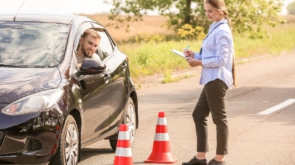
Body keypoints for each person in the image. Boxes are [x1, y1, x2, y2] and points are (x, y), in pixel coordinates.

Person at [182, 0, 236, 165]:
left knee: (219, 118)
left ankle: (219, 159)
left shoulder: (222, 31)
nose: (208, 14)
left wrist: (199, 62)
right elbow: (211, 55)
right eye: (206, 11)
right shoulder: (215, 27)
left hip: (217, 78)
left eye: (211, 11)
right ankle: (200, 157)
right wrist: (195, 55)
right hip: (211, 78)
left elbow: (220, 60)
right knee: (198, 114)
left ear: (220, 10)